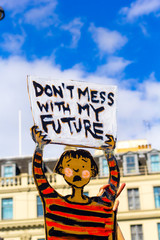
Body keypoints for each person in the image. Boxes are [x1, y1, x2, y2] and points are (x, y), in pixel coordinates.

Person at [31, 125, 121, 240]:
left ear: (92, 171)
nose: (77, 170)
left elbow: (39, 177)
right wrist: (109, 154)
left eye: (83, 166)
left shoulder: (53, 202)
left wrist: (40, 147)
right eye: (70, 167)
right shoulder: (102, 205)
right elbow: (114, 181)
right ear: (61, 171)